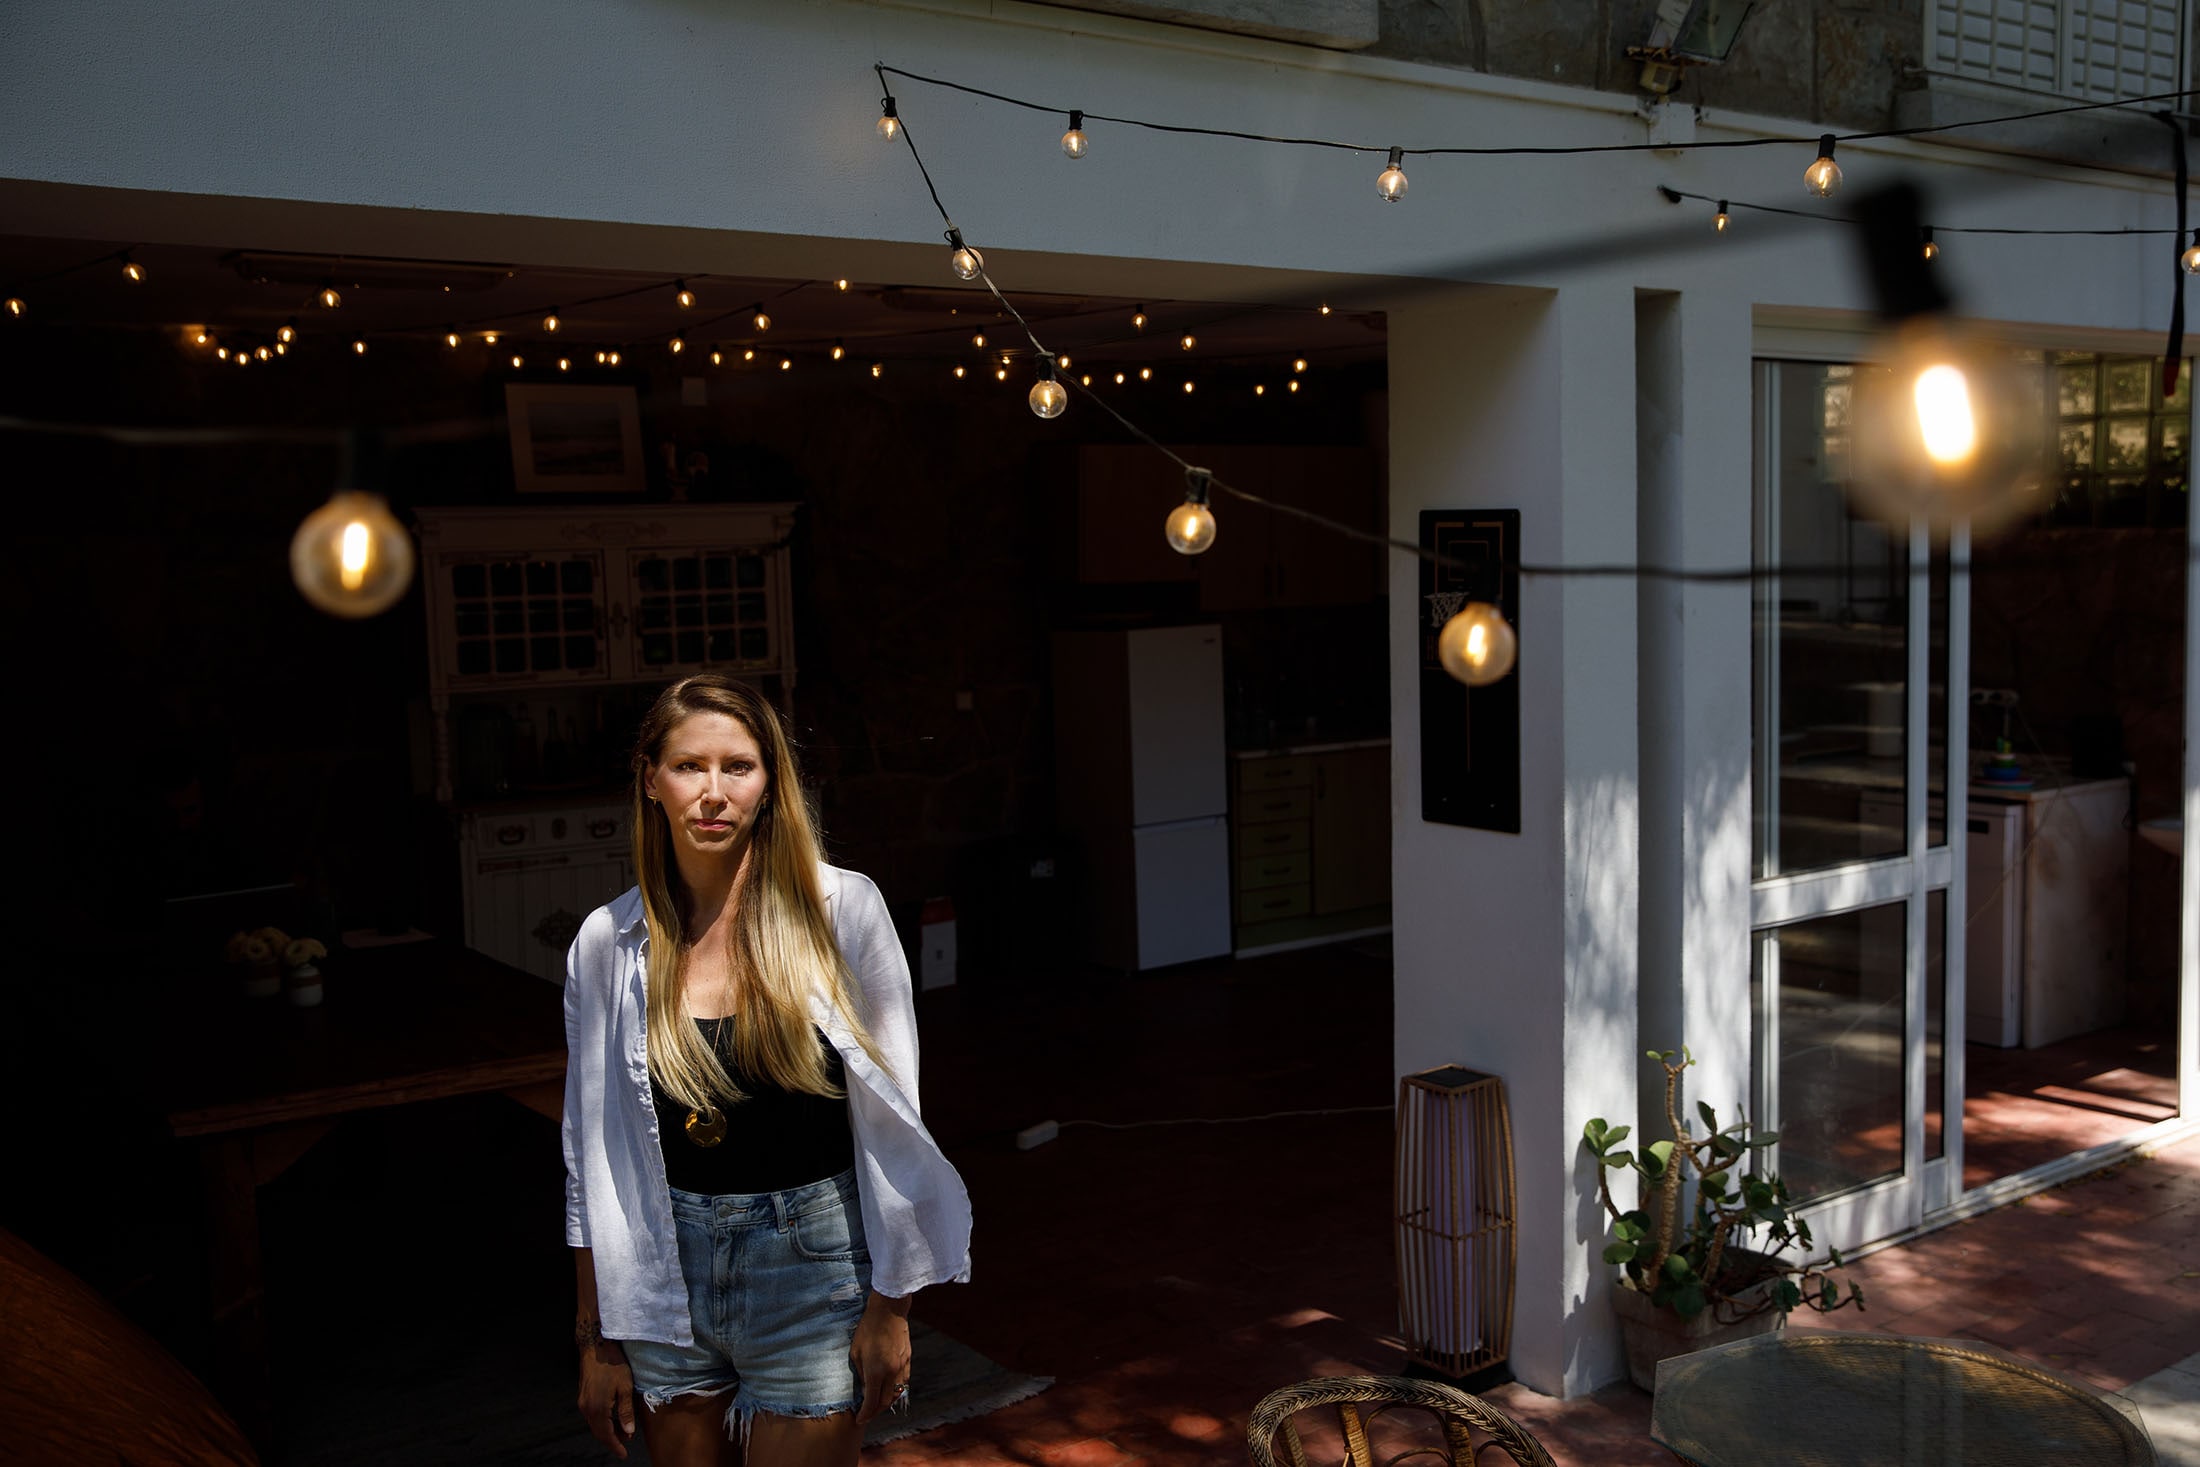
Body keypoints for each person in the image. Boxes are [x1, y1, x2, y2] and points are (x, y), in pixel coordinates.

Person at [562, 675, 972, 1465]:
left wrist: (892, 1306)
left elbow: (899, 1122)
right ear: (650, 780)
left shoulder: (842, 913)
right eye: (689, 765)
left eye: (738, 766)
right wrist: (595, 1338)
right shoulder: (606, 943)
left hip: (811, 1267)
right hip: (661, 1266)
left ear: (770, 781)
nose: (713, 792)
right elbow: (589, 1159)